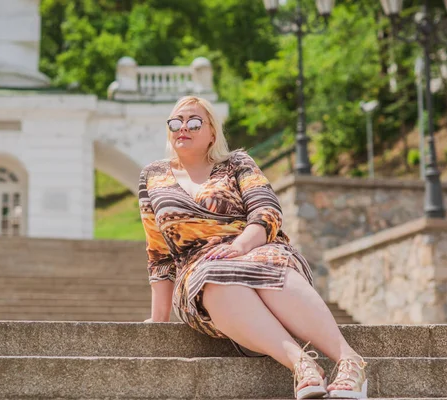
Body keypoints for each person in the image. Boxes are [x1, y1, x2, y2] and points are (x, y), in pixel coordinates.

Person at [138, 95, 368, 399]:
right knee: (213, 274)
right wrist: (159, 318)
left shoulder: (237, 163)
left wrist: (242, 245)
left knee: (266, 263)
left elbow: (267, 211)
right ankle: (302, 365)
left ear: (212, 134)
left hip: (255, 249)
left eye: (194, 122)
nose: (184, 128)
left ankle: (350, 361)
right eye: (176, 122)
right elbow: (159, 253)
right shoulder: (152, 177)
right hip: (199, 272)